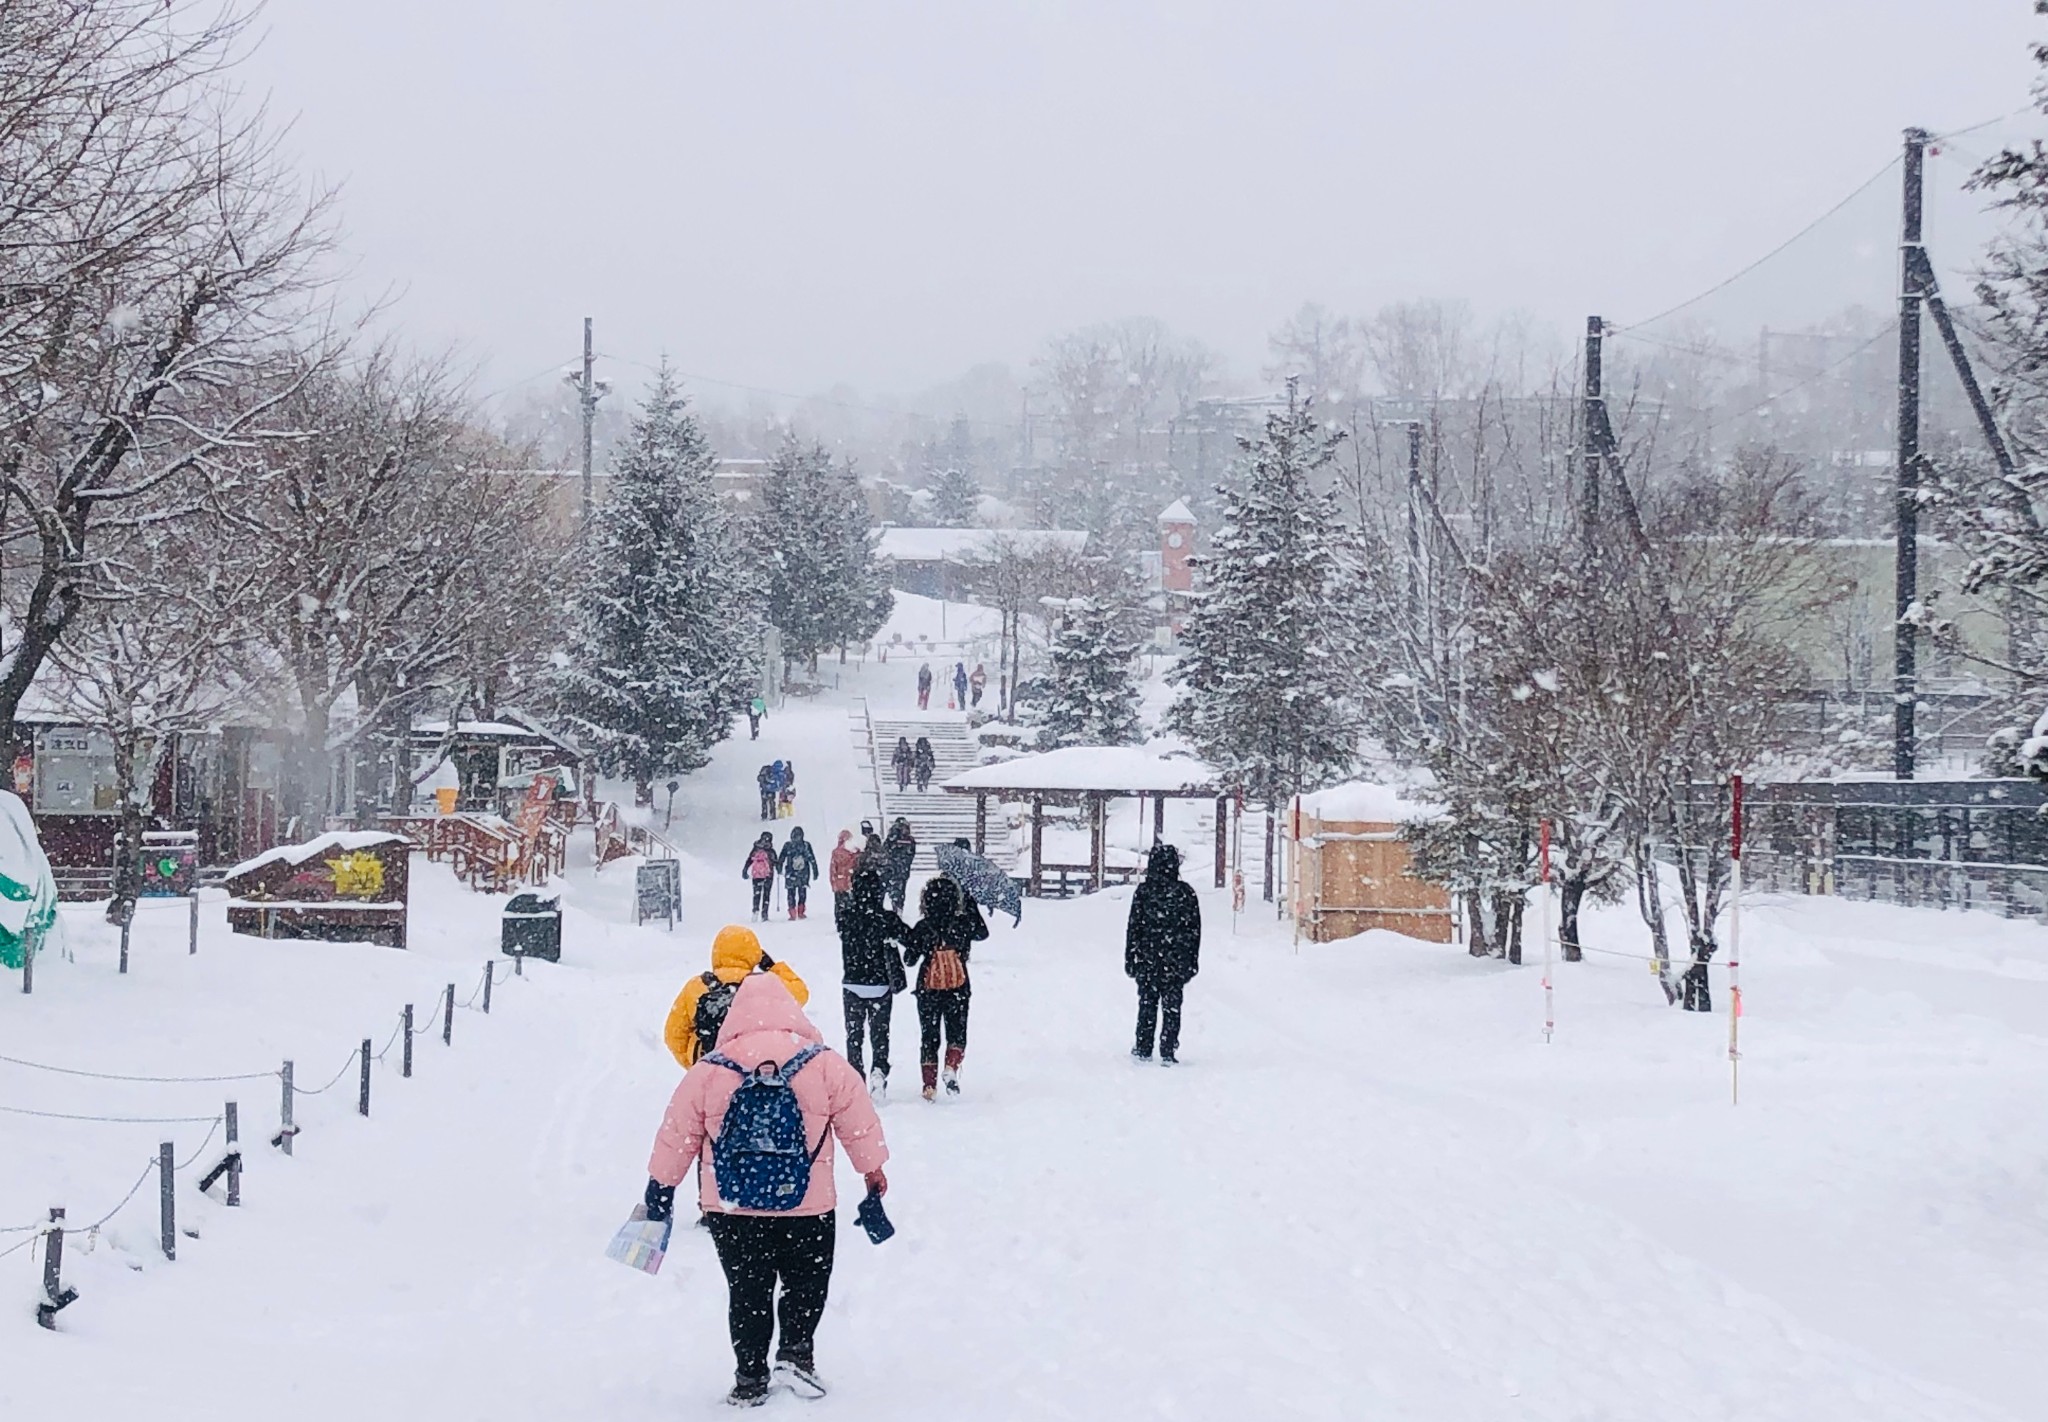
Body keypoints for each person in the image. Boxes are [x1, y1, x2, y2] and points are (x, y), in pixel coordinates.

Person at [642, 972, 888, 1405]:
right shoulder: (824, 1063)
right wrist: (872, 1172)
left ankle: (750, 1375)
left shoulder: (709, 1070)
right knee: (806, 1281)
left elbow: (676, 1133)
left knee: (748, 1289)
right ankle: (795, 1355)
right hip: (807, 1203)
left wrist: (661, 1189)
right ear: (791, 1009)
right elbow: (859, 1122)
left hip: (732, 1206)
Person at [662, 923, 811, 1069]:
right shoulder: (764, 984)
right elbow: (800, 992)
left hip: (713, 1069)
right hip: (754, 1068)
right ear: (754, 954)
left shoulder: (697, 986)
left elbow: (674, 1034)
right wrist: (771, 966)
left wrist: (695, 1063)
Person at [901, 875, 986, 1100]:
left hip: (928, 989)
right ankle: (951, 1067)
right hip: (958, 987)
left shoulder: (923, 926)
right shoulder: (963, 923)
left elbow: (909, 959)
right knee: (956, 1032)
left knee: (929, 1037)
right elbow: (982, 933)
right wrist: (970, 903)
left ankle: (929, 1085)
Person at [1124, 843, 1201, 1065]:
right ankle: (1168, 1048)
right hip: (1175, 961)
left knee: (1147, 1002)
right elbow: (1193, 931)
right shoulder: (1186, 893)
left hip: (1148, 958)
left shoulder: (1144, 892)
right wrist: (1191, 961)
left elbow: (1134, 928)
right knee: (1172, 1006)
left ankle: (1143, 1046)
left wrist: (1131, 958)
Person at [836, 865, 909, 1099]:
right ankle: (879, 1071)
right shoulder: (887, 918)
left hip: (852, 984)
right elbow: (909, 937)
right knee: (880, 1032)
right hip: (880, 984)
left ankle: (856, 1076)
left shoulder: (846, 916)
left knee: (854, 1035)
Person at [779, 827, 819, 920]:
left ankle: (792, 912)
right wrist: (815, 870)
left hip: (790, 872)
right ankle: (801, 911)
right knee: (802, 892)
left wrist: (779, 868)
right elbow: (812, 858)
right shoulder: (806, 845)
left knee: (790, 892)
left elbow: (781, 858)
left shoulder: (787, 845)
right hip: (803, 872)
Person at [881, 817, 917, 914]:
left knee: (890, 891)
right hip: (902, 870)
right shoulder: (909, 840)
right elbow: (911, 854)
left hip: (891, 870)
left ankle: (894, 908)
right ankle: (898, 909)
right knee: (899, 893)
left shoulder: (891, 838)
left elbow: (885, 852)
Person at [743, 832, 778, 921]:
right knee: (766, 894)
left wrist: (745, 870)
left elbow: (749, 860)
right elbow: (775, 862)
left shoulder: (756, 849)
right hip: (768, 875)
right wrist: (779, 868)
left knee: (756, 894)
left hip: (756, 875)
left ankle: (755, 911)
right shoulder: (770, 850)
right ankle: (764, 914)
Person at [828, 830, 859, 927]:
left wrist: (833, 883)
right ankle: (851, 921)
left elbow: (833, 869)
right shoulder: (855, 852)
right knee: (851, 903)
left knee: (839, 904)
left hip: (839, 882)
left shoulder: (836, 852)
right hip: (851, 882)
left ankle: (840, 922)